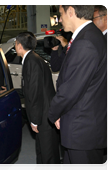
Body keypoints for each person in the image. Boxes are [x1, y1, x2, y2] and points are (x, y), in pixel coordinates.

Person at [48, 5, 109, 170]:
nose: (59, 19)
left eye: (60, 14)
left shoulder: (86, 42)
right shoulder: (89, 36)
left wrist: (53, 113)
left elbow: (70, 91)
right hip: (82, 126)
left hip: (83, 131)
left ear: (71, 11)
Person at [15, 31, 60, 170]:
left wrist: (34, 120)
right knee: (42, 147)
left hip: (43, 113)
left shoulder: (32, 62)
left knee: (48, 152)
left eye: (15, 44)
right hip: (44, 110)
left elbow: (34, 93)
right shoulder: (33, 59)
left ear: (20, 45)